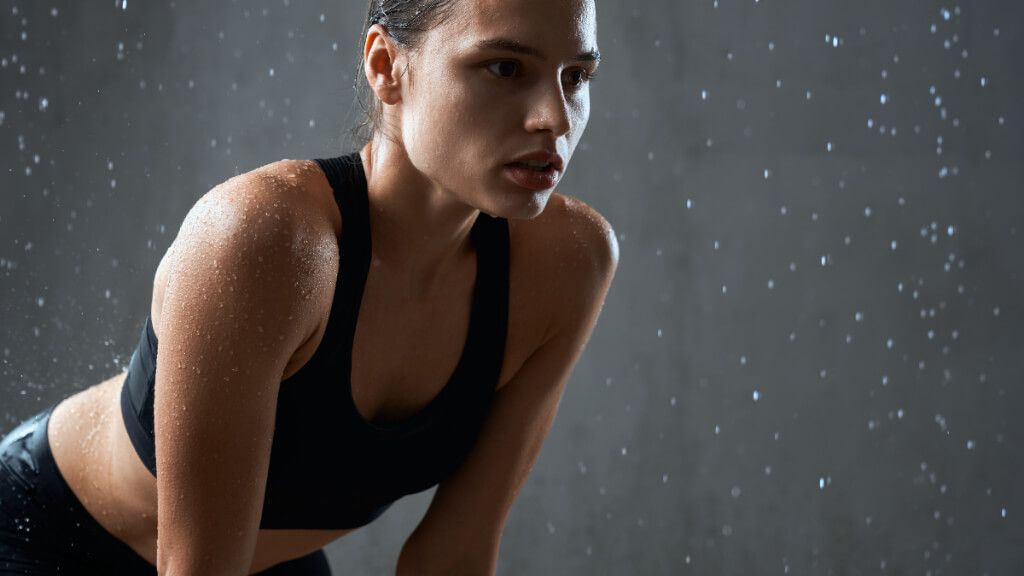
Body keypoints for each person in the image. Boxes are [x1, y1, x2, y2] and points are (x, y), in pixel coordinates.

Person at [0, 0, 617, 573]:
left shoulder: (568, 265)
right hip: (44, 535)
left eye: (576, 77)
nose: (554, 119)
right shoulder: (266, 243)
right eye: (505, 68)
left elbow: (452, 554)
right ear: (387, 67)